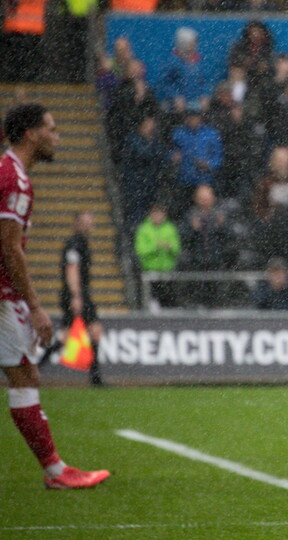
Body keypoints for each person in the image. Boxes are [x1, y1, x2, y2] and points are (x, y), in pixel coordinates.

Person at [0, 103, 110, 488]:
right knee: (24, 376)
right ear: (31, 134)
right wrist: (34, 306)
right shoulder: (15, 178)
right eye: (51, 128)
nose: (57, 137)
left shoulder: (7, 171)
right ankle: (56, 472)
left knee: (24, 374)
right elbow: (9, 247)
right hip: (3, 297)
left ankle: (55, 470)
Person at [59, 211, 105, 387]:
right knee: (91, 332)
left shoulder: (82, 243)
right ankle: (96, 378)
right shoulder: (74, 244)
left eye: (90, 222)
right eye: (85, 222)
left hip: (79, 293)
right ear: (77, 223)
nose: (89, 226)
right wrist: (76, 296)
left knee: (77, 334)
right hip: (76, 294)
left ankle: (96, 378)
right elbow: (72, 269)